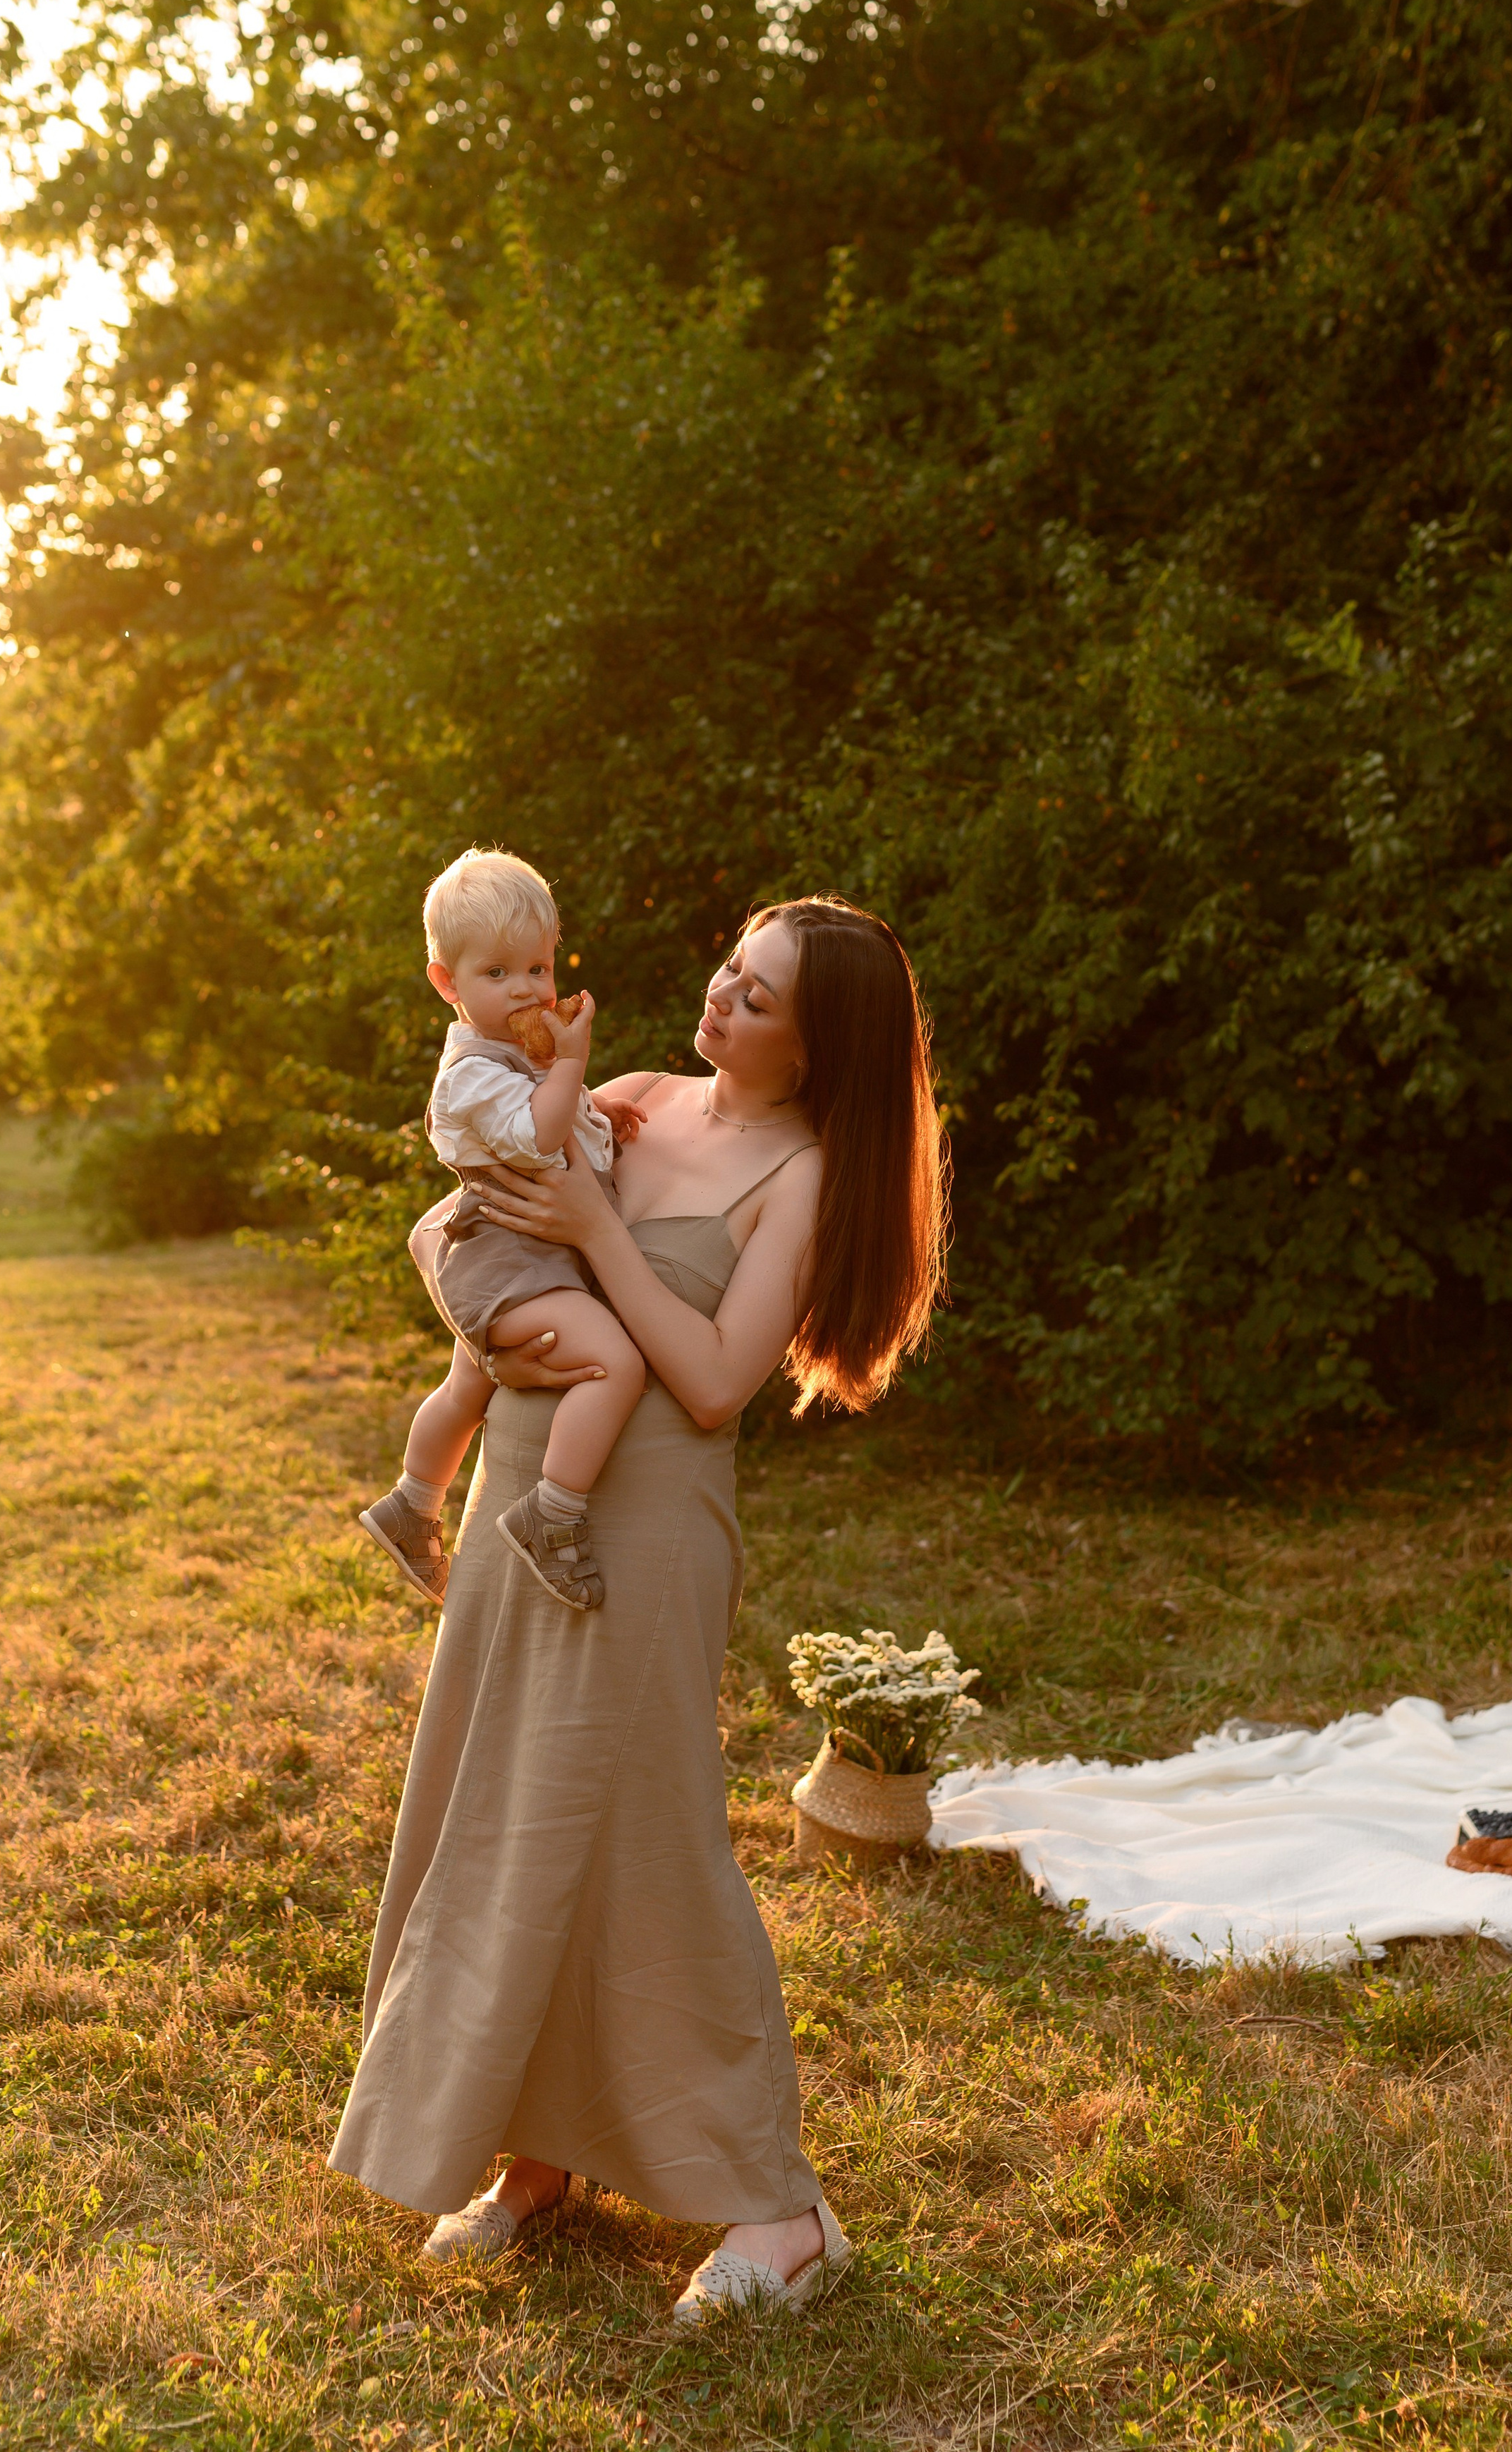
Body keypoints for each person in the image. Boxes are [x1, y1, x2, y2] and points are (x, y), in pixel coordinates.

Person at [329, 894, 949, 2324]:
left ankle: (778, 2210)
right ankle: (542, 2153)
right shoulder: (625, 1095)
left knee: (644, 1840)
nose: (721, 994)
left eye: (760, 991)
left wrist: (596, 1228)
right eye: (729, 963)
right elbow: (455, 1228)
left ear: (816, 1043)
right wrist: (489, 1298)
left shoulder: (795, 1171)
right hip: (516, 1498)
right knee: (514, 1810)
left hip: (650, 1523)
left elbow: (717, 1379)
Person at [358, 847, 648, 1613]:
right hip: (512, 1254)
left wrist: (595, 1110)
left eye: (538, 968)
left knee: (467, 1385)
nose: (526, 988)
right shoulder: (473, 1072)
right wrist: (574, 1068)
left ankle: (412, 1501)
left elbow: (562, 1124)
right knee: (617, 1362)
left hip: (511, 1248)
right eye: (497, 973)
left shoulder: (517, 1056)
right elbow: (537, 1135)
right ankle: (553, 1512)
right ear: (447, 982)